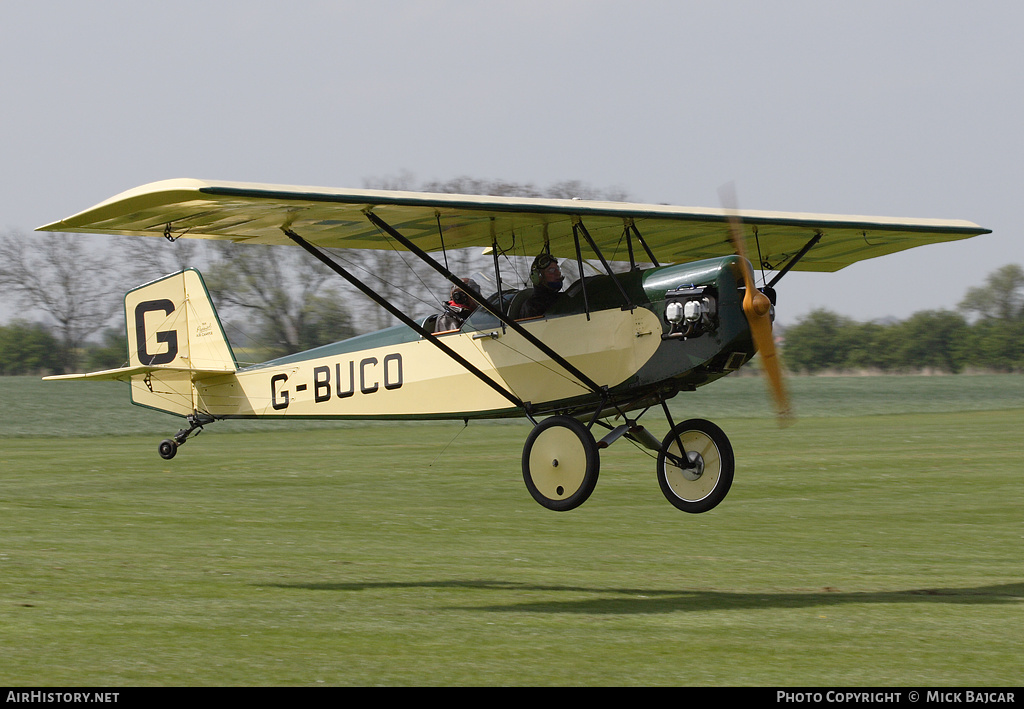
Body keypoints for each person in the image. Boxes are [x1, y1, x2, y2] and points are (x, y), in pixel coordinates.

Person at [519, 253, 565, 319]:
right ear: (538, 277)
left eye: (558, 269)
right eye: (551, 270)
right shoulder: (533, 306)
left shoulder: (564, 298)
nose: (558, 273)